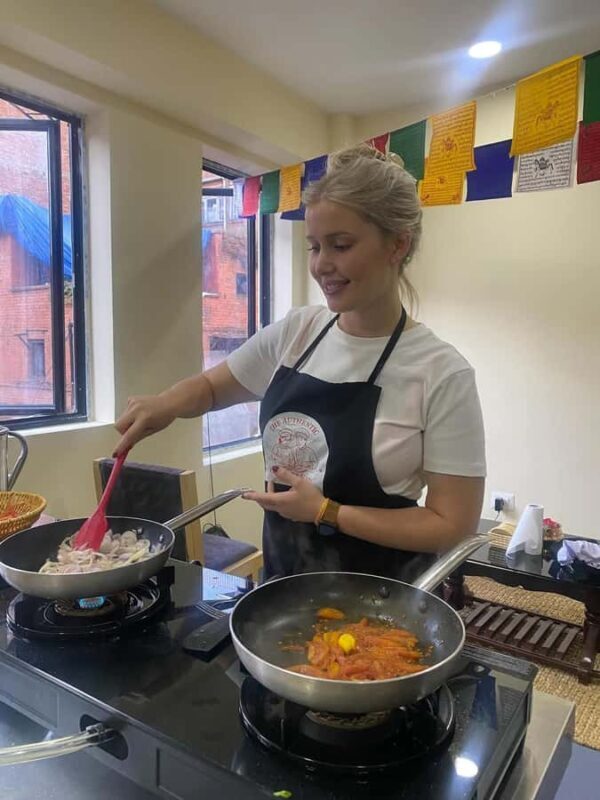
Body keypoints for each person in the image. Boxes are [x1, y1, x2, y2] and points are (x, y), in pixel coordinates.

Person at [115, 145, 485, 582]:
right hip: (282, 596)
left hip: (383, 613)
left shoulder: (442, 372)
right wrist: (167, 404)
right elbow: (213, 387)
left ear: (397, 244)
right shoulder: (300, 330)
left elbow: (451, 525)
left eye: (341, 245)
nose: (321, 265)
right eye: (314, 246)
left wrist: (328, 512)